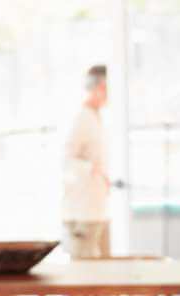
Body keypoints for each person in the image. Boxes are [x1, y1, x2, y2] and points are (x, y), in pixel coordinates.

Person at [61, 65, 111, 259]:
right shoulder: (80, 118)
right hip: (81, 213)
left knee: (103, 276)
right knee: (84, 274)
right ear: (101, 87)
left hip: (97, 210)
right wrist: (92, 169)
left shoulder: (96, 117)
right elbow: (65, 161)